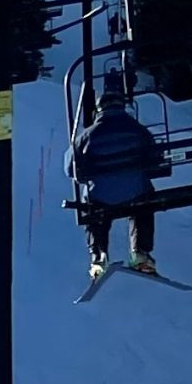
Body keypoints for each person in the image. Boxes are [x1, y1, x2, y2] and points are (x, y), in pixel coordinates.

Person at [69, 71, 165, 278]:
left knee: (93, 212)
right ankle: (140, 252)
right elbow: (156, 159)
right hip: (135, 193)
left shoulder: (86, 136)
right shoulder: (138, 130)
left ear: (99, 110)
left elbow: (71, 169)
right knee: (144, 204)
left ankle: (98, 255)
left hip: (100, 197)